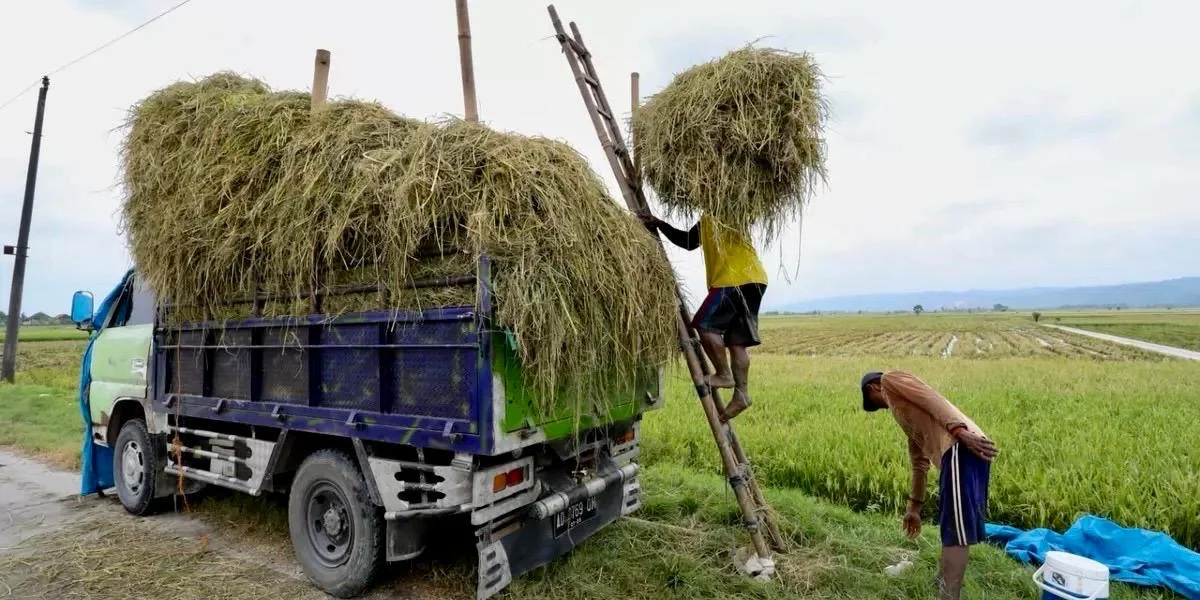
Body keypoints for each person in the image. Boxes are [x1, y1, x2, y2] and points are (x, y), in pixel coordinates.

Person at [860, 370, 999, 600]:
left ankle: (949, 595)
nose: (882, 409)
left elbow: (930, 397)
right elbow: (919, 463)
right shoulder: (910, 418)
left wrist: (959, 432)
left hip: (959, 448)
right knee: (951, 525)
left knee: (956, 531)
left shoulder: (889, 380)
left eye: (874, 403)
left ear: (873, 388)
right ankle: (942, 581)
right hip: (960, 451)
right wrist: (914, 508)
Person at [639, 211, 767, 422]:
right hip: (755, 279)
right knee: (737, 343)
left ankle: (724, 375)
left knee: (704, 324)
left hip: (732, 279)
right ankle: (741, 394)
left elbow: (749, 211)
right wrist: (660, 224)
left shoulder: (729, 208)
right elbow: (689, 241)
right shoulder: (708, 219)